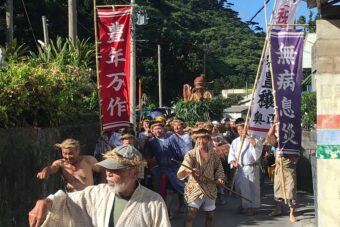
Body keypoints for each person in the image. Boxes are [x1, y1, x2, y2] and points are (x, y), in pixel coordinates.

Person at [28, 145, 171, 227]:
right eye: (108, 169)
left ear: (134, 172)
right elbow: (67, 201)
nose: (108, 174)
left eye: (115, 170)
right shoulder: (99, 193)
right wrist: (45, 203)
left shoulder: (153, 202)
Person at [177, 128, 225, 227]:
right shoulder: (191, 154)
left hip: (210, 187)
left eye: (204, 138)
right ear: (195, 140)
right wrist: (190, 170)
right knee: (191, 215)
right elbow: (185, 167)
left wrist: (220, 178)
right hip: (195, 187)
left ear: (208, 139)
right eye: (199, 139)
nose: (201, 141)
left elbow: (219, 169)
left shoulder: (214, 155)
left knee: (210, 216)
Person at [143, 121, 185, 219]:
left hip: (174, 169)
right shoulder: (151, 141)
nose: (158, 131)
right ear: (152, 131)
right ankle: (168, 211)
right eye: (155, 129)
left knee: (171, 191)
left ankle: (165, 213)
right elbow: (146, 155)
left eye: (159, 128)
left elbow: (180, 151)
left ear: (163, 129)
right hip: (160, 170)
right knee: (161, 193)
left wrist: (183, 161)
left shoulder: (171, 138)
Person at [36, 139, 101, 192]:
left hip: (90, 198)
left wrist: (102, 188)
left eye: (70, 153)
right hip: (72, 200)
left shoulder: (89, 160)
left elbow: (103, 170)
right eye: (64, 153)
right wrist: (45, 171)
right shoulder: (61, 163)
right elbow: (52, 168)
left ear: (78, 151)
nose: (67, 157)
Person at [267, 119, 299, 223]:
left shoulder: (292, 140)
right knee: (277, 190)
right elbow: (269, 136)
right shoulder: (276, 142)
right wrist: (274, 123)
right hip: (278, 169)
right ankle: (278, 208)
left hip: (289, 169)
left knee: (291, 191)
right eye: (276, 128)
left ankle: (292, 213)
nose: (277, 129)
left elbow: (296, 156)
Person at [228, 123, 263, 216]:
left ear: (247, 129)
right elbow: (231, 153)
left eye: (242, 129)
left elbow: (258, 148)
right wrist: (232, 161)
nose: (241, 131)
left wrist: (251, 140)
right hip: (240, 168)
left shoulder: (252, 139)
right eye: (239, 129)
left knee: (251, 188)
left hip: (251, 167)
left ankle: (251, 207)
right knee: (240, 188)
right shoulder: (235, 141)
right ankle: (244, 205)